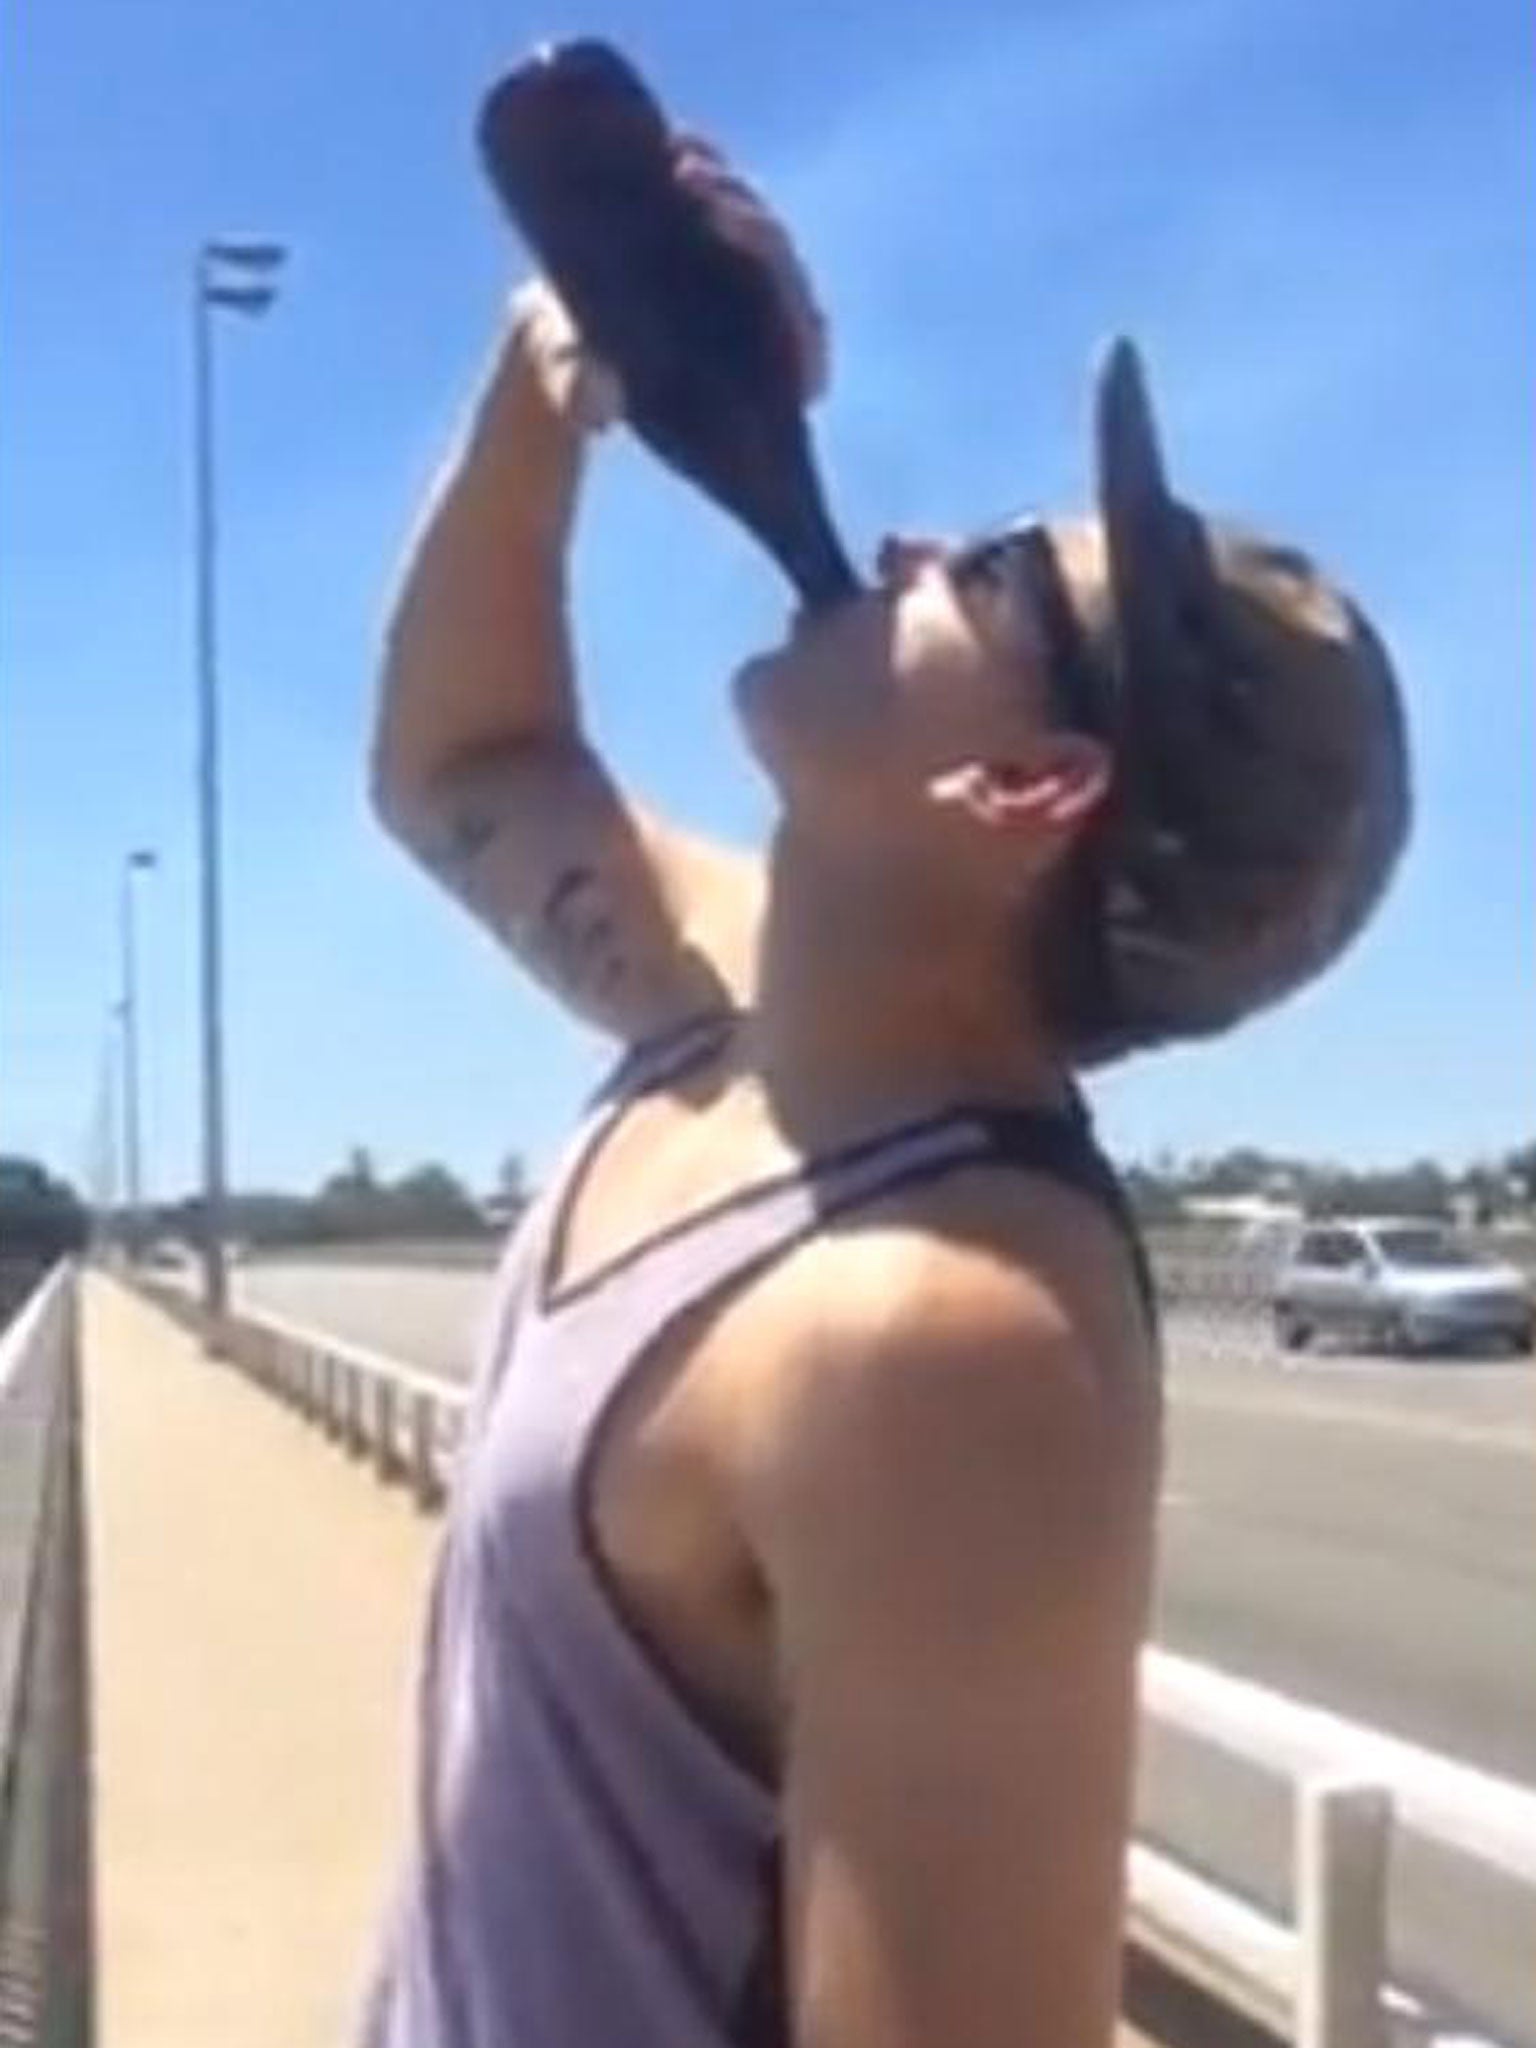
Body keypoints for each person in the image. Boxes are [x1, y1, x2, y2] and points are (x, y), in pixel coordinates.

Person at [362, 136, 1409, 2048]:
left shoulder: (939, 1336)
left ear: (1026, 795)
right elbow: (465, 763)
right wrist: (547, 394)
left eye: (996, 581)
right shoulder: (741, 1010)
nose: (920, 544)